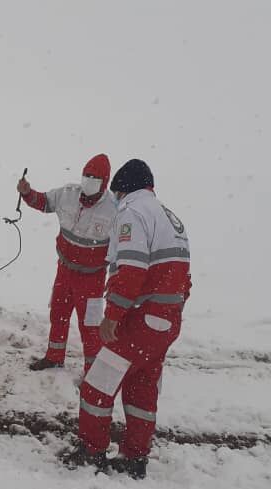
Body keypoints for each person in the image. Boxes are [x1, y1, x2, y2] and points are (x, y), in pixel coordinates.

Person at [62, 159, 192, 479]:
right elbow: (183, 279)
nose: (116, 199)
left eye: (117, 192)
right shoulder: (168, 217)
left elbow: (131, 271)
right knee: (141, 389)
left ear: (123, 189)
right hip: (167, 320)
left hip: (140, 320)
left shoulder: (133, 213)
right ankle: (135, 458)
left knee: (97, 386)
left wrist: (113, 315)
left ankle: (92, 451)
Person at [17, 154, 116, 372]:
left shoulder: (114, 209)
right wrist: (26, 193)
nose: (89, 180)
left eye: (95, 177)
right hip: (64, 270)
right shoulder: (67, 194)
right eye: (86, 175)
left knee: (90, 325)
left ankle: (93, 370)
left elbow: (121, 249)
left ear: (105, 182)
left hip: (93, 278)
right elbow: (43, 202)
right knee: (58, 314)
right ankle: (54, 357)